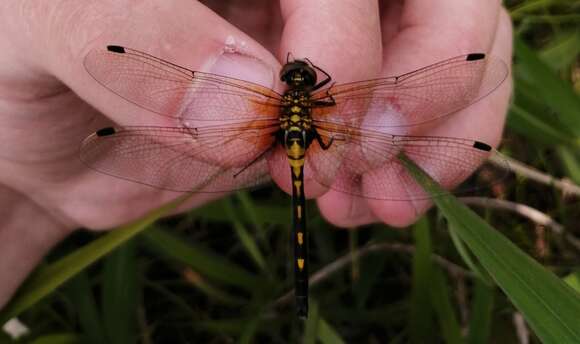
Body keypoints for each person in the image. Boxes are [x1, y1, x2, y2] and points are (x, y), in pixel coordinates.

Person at [0, 0, 512, 308]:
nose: (297, 76)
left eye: (297, 76)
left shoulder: (278, 104)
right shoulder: (319, 103)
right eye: (299, 77)